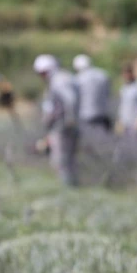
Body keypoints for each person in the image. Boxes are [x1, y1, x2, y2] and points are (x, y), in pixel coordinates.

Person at [34, 54, 80, 188]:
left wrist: (70, 118)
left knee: (60, 158)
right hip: (65, 123)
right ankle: (71, 184)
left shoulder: (59, 80)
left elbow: (70, 99)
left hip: (62, 124)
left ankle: (67, 186)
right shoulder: (64, 77)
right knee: (68, 156)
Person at [72, 54, 113, 132]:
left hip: (85, 116)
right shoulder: (103, 75)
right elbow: (108, 93)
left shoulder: (78, 79)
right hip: (103, 114)